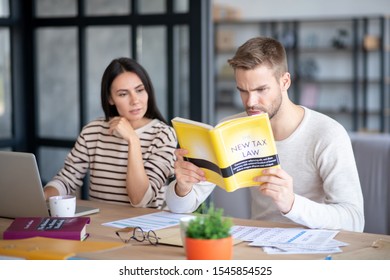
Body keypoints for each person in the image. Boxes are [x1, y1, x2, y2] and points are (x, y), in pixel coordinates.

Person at [166, 37, 364, 232]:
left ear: (285, 81)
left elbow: (354, 221)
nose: (251, 102)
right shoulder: (230, 128)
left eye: (261, 89)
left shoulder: (327, 134)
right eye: (243, 90)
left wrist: (292, 204)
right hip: (257, 245)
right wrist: (182, 187)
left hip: (314, 249)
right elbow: (180, 207)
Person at [44, 57, 177, 209]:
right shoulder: (92, 131)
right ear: (110, 98)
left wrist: (133, 140)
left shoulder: (164, 135)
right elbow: (67, 179)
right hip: (99, 227)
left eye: (139, 90)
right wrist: (44, 194)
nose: (135, 100)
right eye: (123, 94)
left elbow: (140, 200)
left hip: (143, 230)